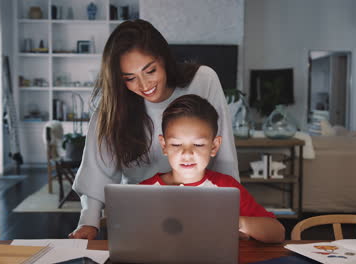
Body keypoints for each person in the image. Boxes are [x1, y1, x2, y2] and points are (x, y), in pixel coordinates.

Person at [69, 19, 239, 239]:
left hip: (201, 211)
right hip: (138, 216)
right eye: (130, 78)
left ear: (164, 59)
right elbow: (98, 169)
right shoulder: (114, 104)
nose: (144, 85)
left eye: (150, 71)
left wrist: (232, 213)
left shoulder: (203, 80)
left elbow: (224, 156)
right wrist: (89, 223)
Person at [140, 94, 285, 243]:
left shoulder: (226, 187)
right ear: (164, 145)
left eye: (198, 145)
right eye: (176, 145)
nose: (187, 154)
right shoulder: (144, 191)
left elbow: (277, 232)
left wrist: (238, 223)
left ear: (214, 146)